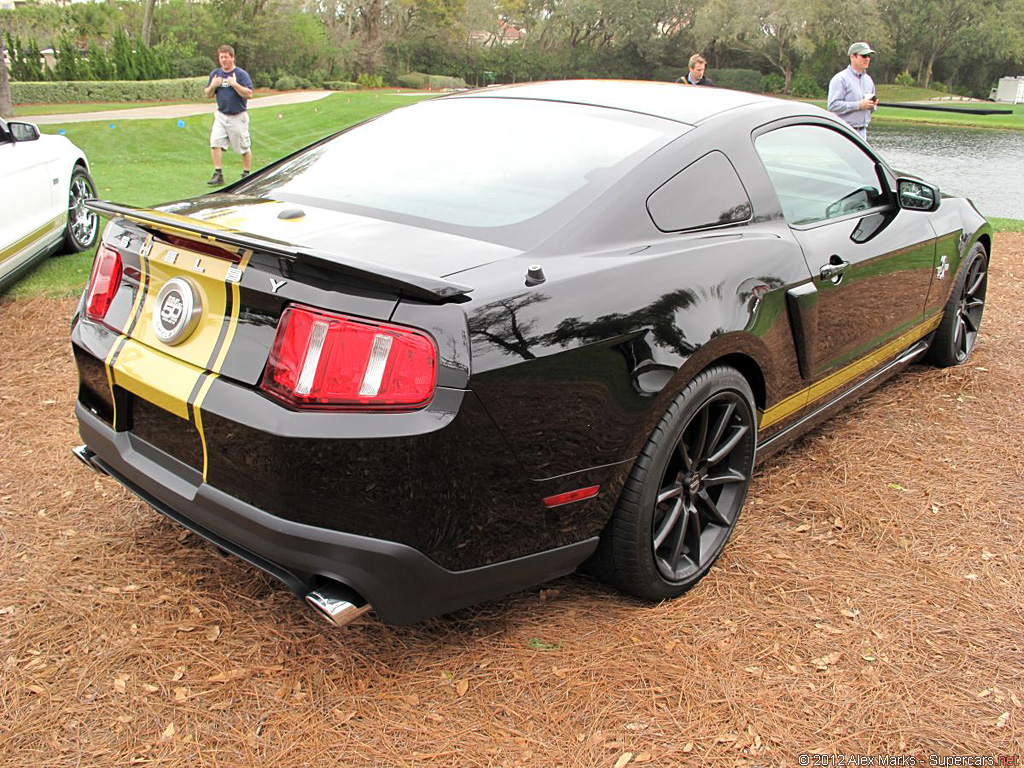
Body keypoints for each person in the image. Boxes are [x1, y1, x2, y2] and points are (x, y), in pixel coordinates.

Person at [204, 44, 254, 186]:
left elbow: (249, 94)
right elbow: (207, 94)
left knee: (243, 147)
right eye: (221, 57)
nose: (223, 60)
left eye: (226, 57)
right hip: (221, 115)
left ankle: (246, 174)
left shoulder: (241, 74)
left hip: (238, 116)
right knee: (215, 142)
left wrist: (234, 84)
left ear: (232, 58)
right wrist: (213, 85)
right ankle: (218, 173)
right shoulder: (215, 74)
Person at [828, 42, 877, 140]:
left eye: (868, 56)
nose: (867, 58)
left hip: (863, 132)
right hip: (844, 132)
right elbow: (833, 105)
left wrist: (872, 105)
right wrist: (859, 105)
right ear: (852, 57)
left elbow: (870, 109)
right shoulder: (840, 79)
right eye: (863, 56)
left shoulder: (868, 80)